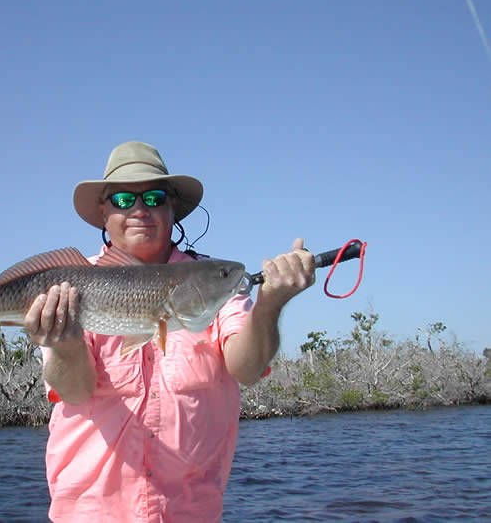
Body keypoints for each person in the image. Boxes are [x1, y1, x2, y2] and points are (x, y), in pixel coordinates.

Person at [23, 141, 315, 522]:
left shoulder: (212, 282)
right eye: (124, 200)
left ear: (172, 207)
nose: (140, 210)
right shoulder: (70, 289)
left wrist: (270, 304)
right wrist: (64, 346)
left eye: (154, 197)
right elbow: (75, 392)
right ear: (103, 213)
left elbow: (248, 368)